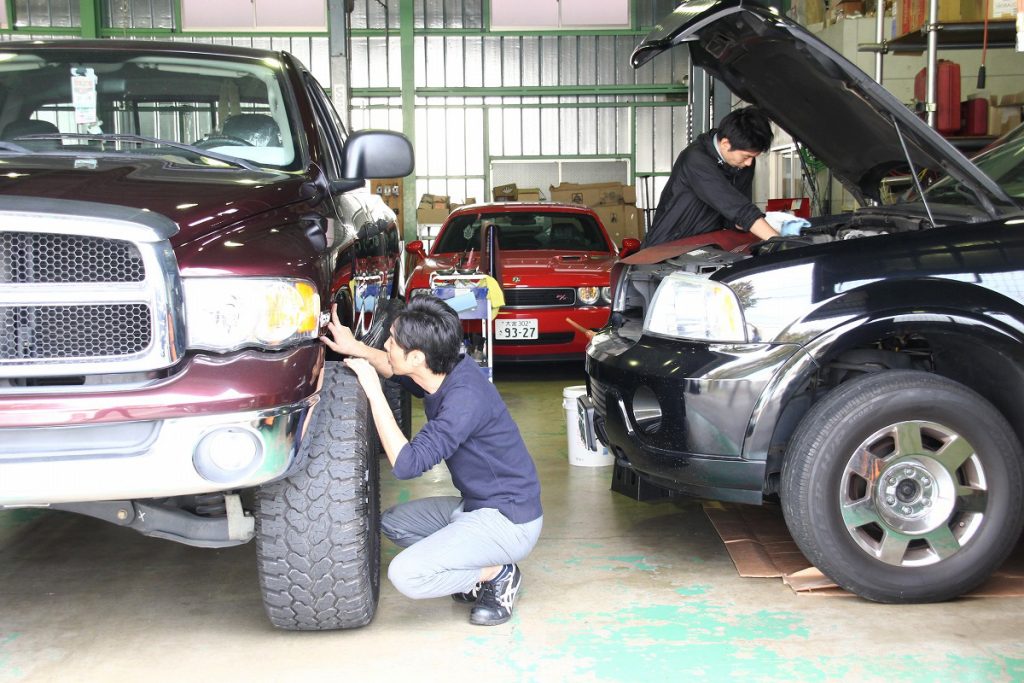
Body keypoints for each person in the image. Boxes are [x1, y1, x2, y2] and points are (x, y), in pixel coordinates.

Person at [320, 295, 543, 626]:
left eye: (392, 341)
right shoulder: (443, 368)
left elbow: (407, 464)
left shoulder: (464, 402)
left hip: (509, 520)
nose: (386, 344)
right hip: (477, 506)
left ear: (417, 356)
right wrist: (354, 347)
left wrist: (373, 390)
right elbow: (398, 371)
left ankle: (496, 574)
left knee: (407, 575)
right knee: (395, 522)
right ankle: (472, 562)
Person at [642, 105, 781, 248]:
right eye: (746, 156)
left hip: (703, 246)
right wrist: (779, 244)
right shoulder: (696, 160)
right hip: (665, 249)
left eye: (754, 157)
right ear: (726, 144)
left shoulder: (743, 164)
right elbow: (741, 210)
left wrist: (739, 224)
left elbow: (735, 216)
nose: (749, 163)